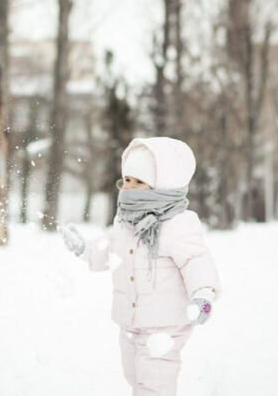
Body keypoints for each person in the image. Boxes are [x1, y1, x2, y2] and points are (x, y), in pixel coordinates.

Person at [60, 137, 222, 396]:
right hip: (131, 324)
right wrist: (85, 249)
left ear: (162, 185)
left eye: (139, 182)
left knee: (155, 385)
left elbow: (196, 261)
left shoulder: (177, 223)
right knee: (134, 379)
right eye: (127, 180)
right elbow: (112, 249)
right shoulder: (125, 221)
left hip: (164, 327)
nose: (130, 188)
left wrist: (203, 294)